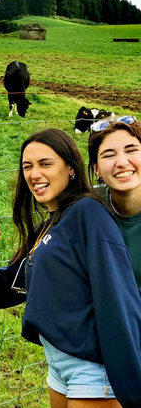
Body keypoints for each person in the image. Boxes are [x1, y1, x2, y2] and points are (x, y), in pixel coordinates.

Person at [0, 128, 141, 408]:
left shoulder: (88, 214)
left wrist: (133, 399)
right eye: (27, 166)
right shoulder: (55, 223)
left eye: (45, 163)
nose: (34, 174)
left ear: (71, 168)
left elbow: (117, 303)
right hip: (59, 368)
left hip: (94, 373)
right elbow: (5, 293)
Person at [88, 115, 141, 291]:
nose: (122, 162)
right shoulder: (86, 207)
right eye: (109, 155)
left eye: (131, 150)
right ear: (97, 169)